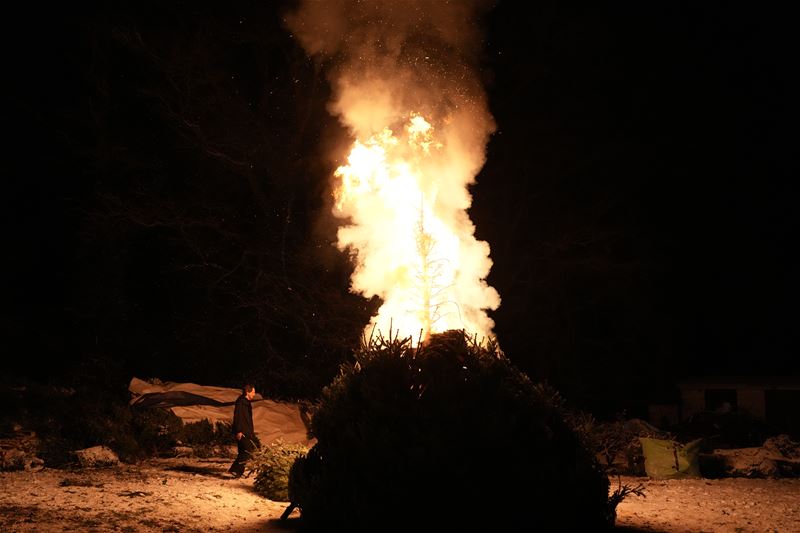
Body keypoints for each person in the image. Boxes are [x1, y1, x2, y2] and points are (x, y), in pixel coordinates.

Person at [228, 383, 257, 478]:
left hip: (247, 431)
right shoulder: (241, 402)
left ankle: (239, 472)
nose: (254, 394)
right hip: (243, 431)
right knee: (247, 451)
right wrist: (239, 431)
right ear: (247, 392)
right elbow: (238, 417)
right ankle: (234, 469)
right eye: (253, 392)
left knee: (243, 452)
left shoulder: (246, 402)